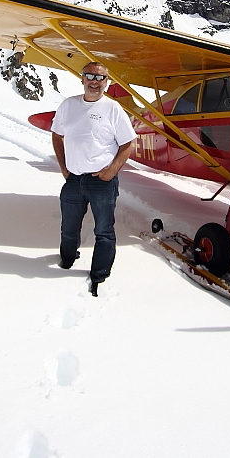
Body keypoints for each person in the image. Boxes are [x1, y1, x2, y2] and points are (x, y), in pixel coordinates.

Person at [51, 62, 136, 296]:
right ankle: (67, 260)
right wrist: (64, 167)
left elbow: (127, 144)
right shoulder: (68, 105)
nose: (94, 81)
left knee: (104, 231)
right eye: (89, 76)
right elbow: (57, 136)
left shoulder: (113, 108)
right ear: (82, 79)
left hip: (102, 181)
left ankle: (99, 274)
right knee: (68, 228)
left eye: (100, 77)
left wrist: (112, 171)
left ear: (106, 82)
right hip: (73, 180)